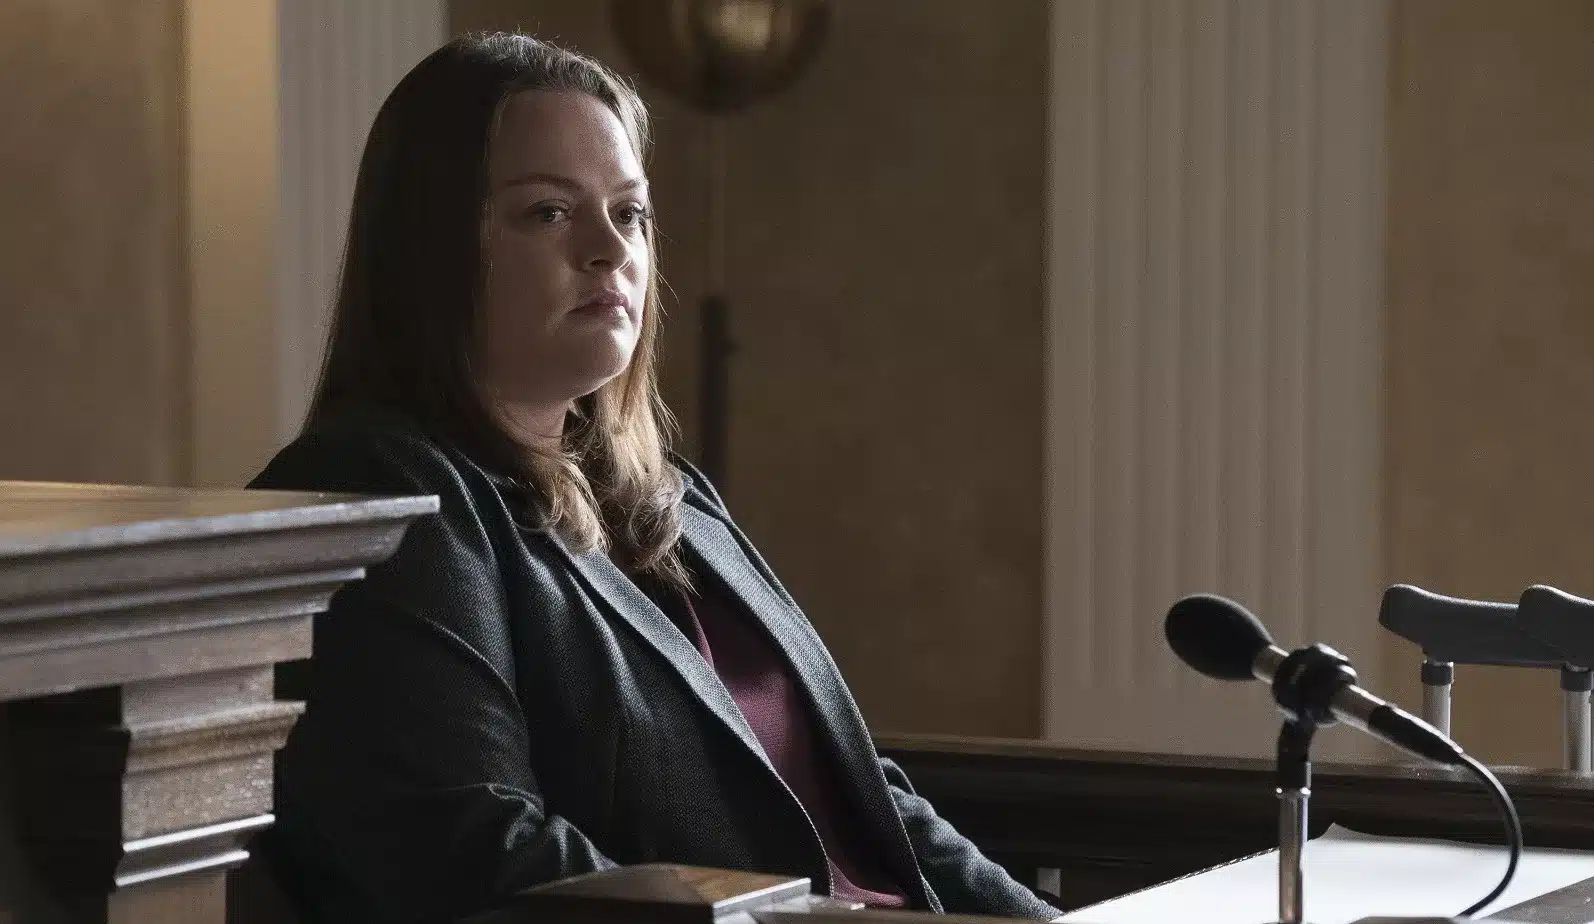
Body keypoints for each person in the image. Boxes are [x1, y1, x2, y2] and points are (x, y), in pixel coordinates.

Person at [250, 32, 1065, 924]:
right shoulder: (373, 490)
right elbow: (476, 852)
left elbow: (866, 800)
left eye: (630, 212)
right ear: (429, 248)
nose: (610, 249)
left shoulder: (672, 496)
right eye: (548, 212)